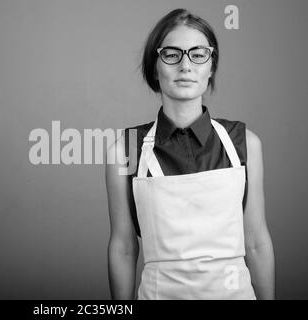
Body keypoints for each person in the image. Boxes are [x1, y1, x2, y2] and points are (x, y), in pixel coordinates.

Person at [105, 8, 275, 300]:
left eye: (198, 54)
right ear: (154, 68)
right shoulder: (125, 150)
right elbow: (123, 247)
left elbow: (257, 242)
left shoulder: (245, 143)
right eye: (172, 54)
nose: (186, 66)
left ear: (211, 68)